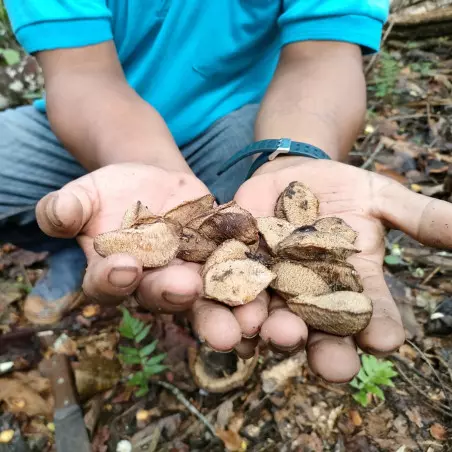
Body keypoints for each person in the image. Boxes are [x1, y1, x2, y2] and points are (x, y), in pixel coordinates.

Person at [2, 0, 451, 384]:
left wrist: (293, 157)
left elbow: (323, 54)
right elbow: (83, 77)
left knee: (217, 242)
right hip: (95, 127)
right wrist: (151, 169)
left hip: (241, 124)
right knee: (44, 197)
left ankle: (216, 331)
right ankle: (70, 246)